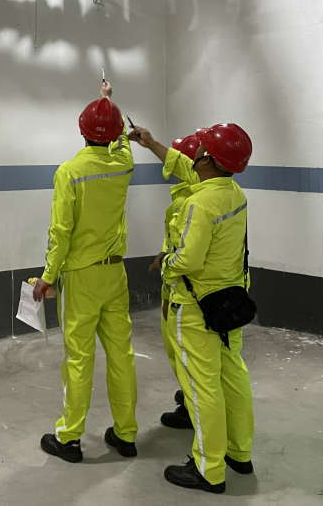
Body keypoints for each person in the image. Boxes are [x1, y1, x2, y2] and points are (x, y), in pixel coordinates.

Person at [134, 123, 254, 494]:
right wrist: (151, 143)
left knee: (202, 389)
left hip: (195, 306)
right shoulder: (232, 191)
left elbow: (188, 259)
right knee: (232, 377)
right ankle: (239, 453)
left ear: (208, 160)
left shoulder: (198, 204)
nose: (194, 153)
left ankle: (208, 469)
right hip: (228, 302)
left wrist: (164, 263)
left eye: (199, 150)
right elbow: (184, 166)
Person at [32, 81, 139, 464]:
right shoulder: (124, 164)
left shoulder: (70, 172)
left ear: (81, 130)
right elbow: (122, 141)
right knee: (121, 354)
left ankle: (69, 438)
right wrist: (108, 101)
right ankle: (126, 434)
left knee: (79, 358)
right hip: (116, 275)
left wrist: (48, 276)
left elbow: (60, 232)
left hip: (80, 277)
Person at [129, 129, 201, 430]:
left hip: (187, 291)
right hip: (183, 289)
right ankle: (189, 402)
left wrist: (167, 270)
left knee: (188, 358)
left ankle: (196, 413)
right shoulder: (196, 189)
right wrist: (150, 143)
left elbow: (187, 255)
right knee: (183, 356)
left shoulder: (196, 196)